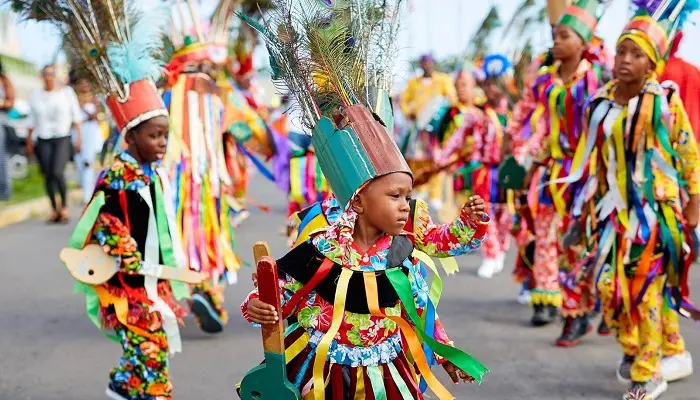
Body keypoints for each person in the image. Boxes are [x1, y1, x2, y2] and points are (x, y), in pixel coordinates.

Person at [238, 5, 490, 398]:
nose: (406, 205)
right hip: (325, 374)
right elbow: (274, 290)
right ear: (356, 202)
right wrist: (257, 306)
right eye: (394, 196)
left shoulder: (403, 249)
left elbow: (422, 310)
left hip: (388, 376)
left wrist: (445, 355)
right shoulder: (319, 250)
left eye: (408, 195)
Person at [10, 0, 191, 397]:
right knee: (151, 347)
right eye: (153, 136)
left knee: (147, 347)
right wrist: (127, 254)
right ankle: (144, 392)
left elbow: (161, 228)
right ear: (130, 137)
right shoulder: (117, 178)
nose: (161, 143)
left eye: (164, 135)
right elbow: (102, 224)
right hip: (126, 283)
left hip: (151, 281)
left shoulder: (149, 173)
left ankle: (125, 389)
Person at [567, 0, 699, 397]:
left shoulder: (665, 101)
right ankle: (664, 349)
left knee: (646, 289)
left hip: (656, 214)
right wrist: (580, 214)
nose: (624, 59)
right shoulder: (601, 102)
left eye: (636, 53)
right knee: (610, 287)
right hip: (611, 216)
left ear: (652, 63)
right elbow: (591, 162)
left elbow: (688, 152)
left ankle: (648, 369)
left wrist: (694, 200)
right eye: (621, 50)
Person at [508, 0, 608, 334]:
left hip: (585, 175)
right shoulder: (546, 83)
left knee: (578, 241)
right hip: (552, 173)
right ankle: (546, 300)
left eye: (565, 36)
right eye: (555, 35)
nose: (557, 41)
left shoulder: (594, 81)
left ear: (583, 43)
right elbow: (542, 127)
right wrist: (525, 159)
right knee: (546, 235)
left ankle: (581, 305)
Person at [400, 54, 457, 209]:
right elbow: (404, 102)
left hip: (436, 131)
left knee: (436, 160)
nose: (427, 65)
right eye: (424, 63)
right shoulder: (413, 83)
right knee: (416, 159)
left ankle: (435, 194)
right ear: (421, 64)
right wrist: (410, 111)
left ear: (433, 64)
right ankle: (419, 189)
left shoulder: (443, 80)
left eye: (429, 62)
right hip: (418, 130)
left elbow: (452, 99)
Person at [27, 65, 82, 223]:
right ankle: (53, 209)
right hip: (43, 137)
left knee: (58, 172)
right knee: (48, 174)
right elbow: (32, 120)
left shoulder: (66, 93)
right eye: (46, 74)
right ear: (42, 77)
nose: (49, 77)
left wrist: (79, 137)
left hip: (62, 137)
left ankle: (64, 207)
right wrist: (29, 141)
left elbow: (76, 117)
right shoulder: (35, 96)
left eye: (52, 74)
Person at [71, 76, 104, 204]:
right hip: (77, 132)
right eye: (81, 83)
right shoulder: (73, 99)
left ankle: (88, 195)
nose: (84, 85)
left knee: (87, 162)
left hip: (90, 132)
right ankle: (84, 187)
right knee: (79, 162)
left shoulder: (94, 100)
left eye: (86, 82)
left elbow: (96, 115)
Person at [0, 60, 15, 201]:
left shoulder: (4, 80)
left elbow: (11, 102)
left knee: (1, 159)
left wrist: (2, 103)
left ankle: (4, 192)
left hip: (1, 121)